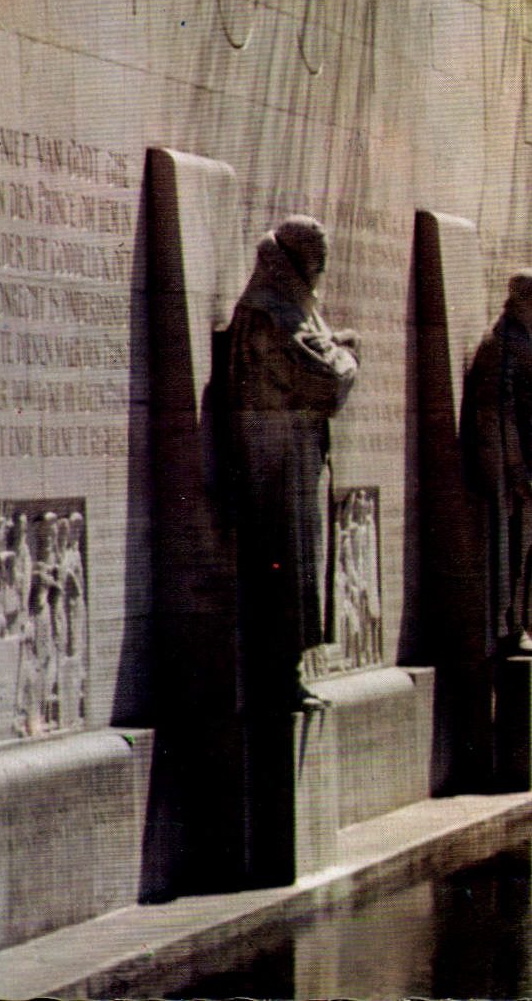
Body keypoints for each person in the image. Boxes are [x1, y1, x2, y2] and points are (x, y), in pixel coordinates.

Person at [223, 216, 360, 714]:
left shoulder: (289, 308)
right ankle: (279, 674)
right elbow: (325, 380)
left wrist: (335, 352)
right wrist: (347, 358)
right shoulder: (268, 313)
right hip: (277, 463)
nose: (321, 272)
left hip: (296, 457)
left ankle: (289, 672)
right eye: (316, 260)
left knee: (300, 564)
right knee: (286, 564)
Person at [462, 270, 532, 654]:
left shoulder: (529, 341)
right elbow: (499, 412)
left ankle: (531, 620)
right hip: (521, 467)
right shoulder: (501, 342)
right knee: (517, 549)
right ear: (520, 299)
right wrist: (517, 471)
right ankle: (512, 628)